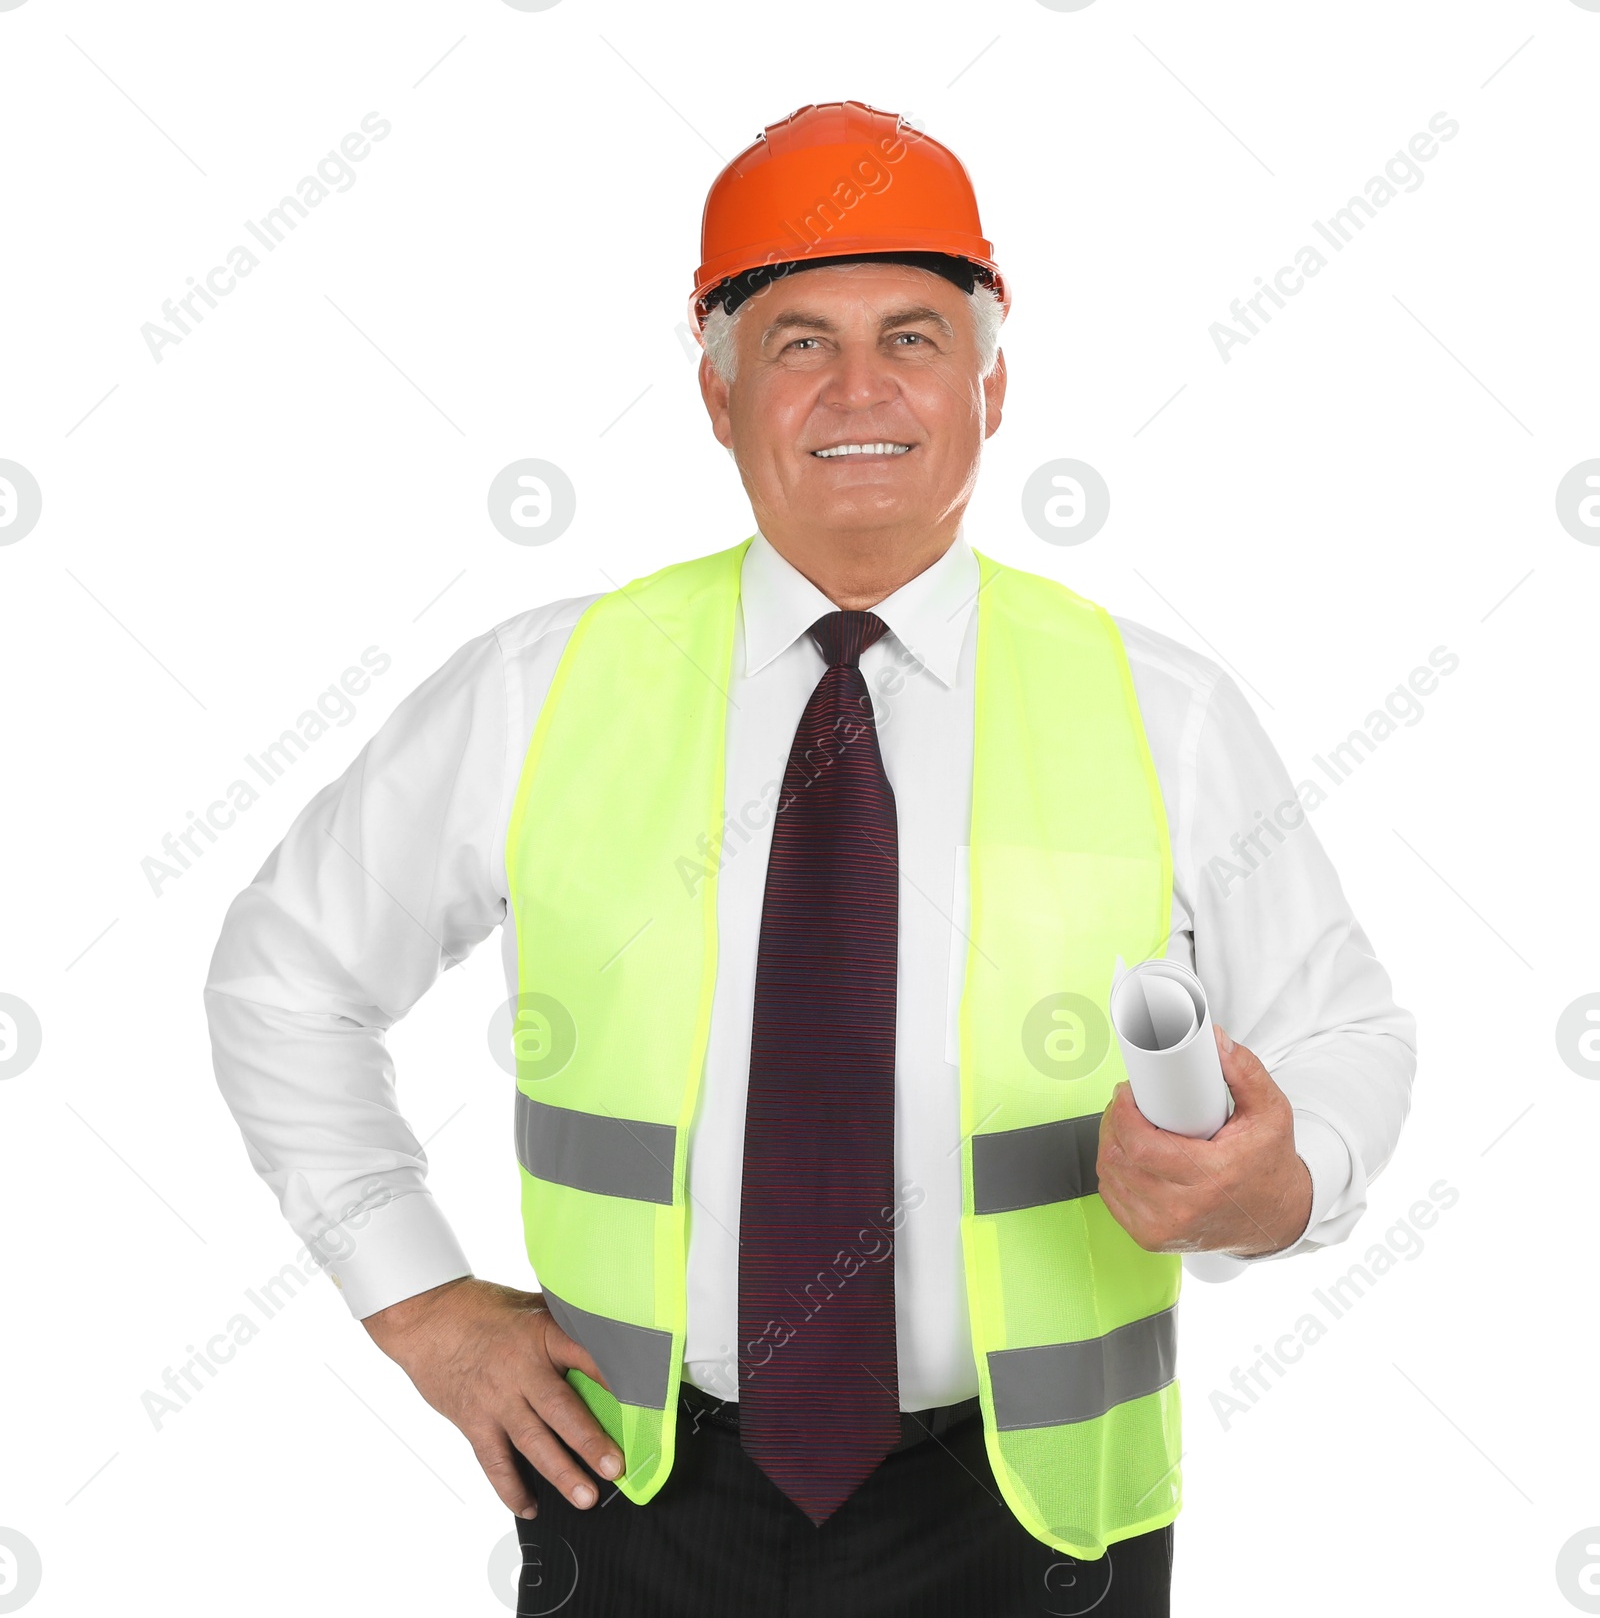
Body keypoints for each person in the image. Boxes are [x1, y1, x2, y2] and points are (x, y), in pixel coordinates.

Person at [205, 100, 1416, 1618]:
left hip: (1038, 1518)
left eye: (913, 336)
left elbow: (1346, 1029)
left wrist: (1276, 1184)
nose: (860, 387)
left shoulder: (1158, 707)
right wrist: (423, 1305)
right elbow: (284, 978)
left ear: (991, 386)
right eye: (797, 342)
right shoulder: (542, 685)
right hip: (640, 1494)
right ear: (719, 399)